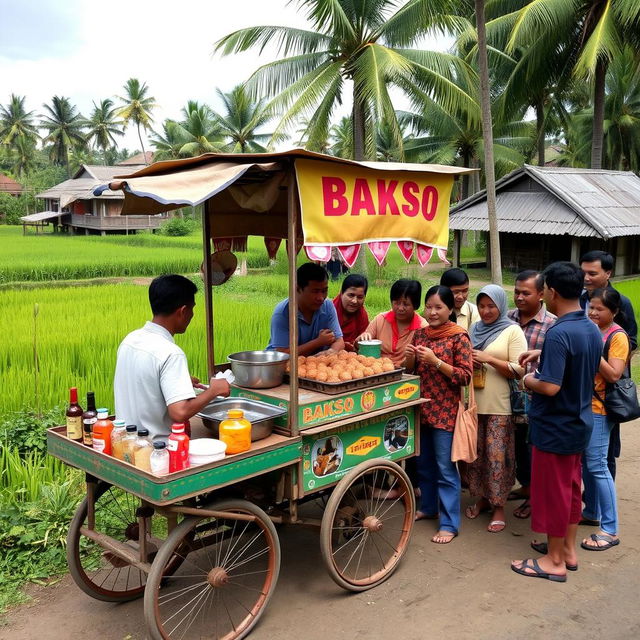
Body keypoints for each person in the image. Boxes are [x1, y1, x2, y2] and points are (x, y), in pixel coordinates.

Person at [512, 262, 602, 583]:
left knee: (553, 493)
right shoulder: (590, 326)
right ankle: (568, 550)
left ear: (551, 291)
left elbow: (550, 386)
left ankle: (553, 562)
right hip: (579, 422)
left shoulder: (559, 331)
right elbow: (579, 362)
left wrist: (528, 379)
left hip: (554, 427)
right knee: (572, 488)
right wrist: (544, 354)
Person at [114, 274, 231, 440]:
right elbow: (180, 411)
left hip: (126, 443)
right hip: (158, 451)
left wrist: (172, 384)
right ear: (182, 311)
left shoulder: (129, 340)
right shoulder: (170, 352)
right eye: (192, 308)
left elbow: (142, 382)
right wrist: (214, 391)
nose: (192, 314)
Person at [405, 285, 473, 544]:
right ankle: (429, 506)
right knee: (424, 463)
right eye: (429, 306)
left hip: (445, 410)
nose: (432, 312)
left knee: (445, 468)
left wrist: (435, 361)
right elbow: (411, 372)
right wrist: (410, 358)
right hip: (421, 408)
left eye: (438, 307)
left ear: (450, 309)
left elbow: (464, 376)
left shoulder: (459, 337)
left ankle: (449, 523)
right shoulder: (420, 334)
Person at [465, 285, 527, 533]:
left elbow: (521, 369)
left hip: (500, 407)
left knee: (497, 458)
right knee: (476, 457)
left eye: (491, 305)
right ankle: (481, 498)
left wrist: (489, 359)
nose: (486, 310)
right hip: (474, 404)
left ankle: (499, 507)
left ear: (501, 305)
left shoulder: (512, 330)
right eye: (481, 306)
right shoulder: (474, 329)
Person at [580, 250, 637, 482]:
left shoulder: (620, 302)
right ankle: (590, 500)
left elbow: (631, 339)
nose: (586, 278)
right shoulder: (579, 298)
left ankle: (601, 502)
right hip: (584, 386)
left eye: (592, 273)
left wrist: (606, 355)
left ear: (608, 273)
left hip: (607, 389)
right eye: (582, 272)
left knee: (605, 449)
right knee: (584, 447)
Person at [581, 288, 628, 550]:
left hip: (600, 408)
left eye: (599, 309)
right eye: (591, 307)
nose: (593, 312)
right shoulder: (592, 330)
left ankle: (610, 529)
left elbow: (613, 375)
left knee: (598, 466)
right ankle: (591, 512)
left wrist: (593, 350)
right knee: (588, 464)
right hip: (585, 406)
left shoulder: (617, 336)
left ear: (614, 311)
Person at [506, 270, 556, 520]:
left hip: (537, 398)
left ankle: (535, 497)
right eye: (516, 292)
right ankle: (526, 486)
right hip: (508, 396)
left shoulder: (553, 325)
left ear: (541, 294)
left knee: (533, 448)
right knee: (516, 447)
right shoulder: (507, 318)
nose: (520, 297)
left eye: (526, 293)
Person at [267, 262, 344, 355]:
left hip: (314, 363)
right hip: (282, 364)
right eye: (315, 291)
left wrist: (331, 351)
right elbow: (283, 353)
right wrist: (318, 342)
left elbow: (339, 341)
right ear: (298, 289)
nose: (321, 297)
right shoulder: (282, 313)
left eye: (324, 291)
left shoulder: (327, 306)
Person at [358, 279, 427, 367]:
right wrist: (363, 338)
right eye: (397, 303)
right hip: (376, 370)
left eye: (406, 304)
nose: (400, 308)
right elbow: (361, 345)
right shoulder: (381, 319)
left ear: (415, 305)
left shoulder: (422, 327)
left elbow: (419, 364)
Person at [332, 274, 369, 351]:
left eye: (360, 297)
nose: (354, 301)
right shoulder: (330, 311)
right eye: (351, 295)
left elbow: (363, 343)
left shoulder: (362, 315)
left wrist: (357, 343)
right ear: (341, 293)